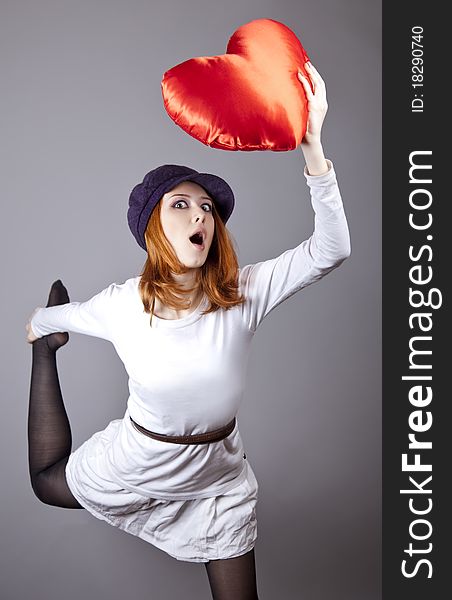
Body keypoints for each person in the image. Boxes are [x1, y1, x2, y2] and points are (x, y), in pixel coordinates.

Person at [26, 62, 350, 599]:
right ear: (153, 228)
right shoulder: (121, 305)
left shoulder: (244, 292)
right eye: (181, 205)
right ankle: (45, 361)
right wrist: (41, 326)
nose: (200, 215)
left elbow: (332, 250)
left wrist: (313, 148)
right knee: (46, 486)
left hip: (217, 476)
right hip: (139, 459)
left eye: (207, 209)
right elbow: (54, 317)